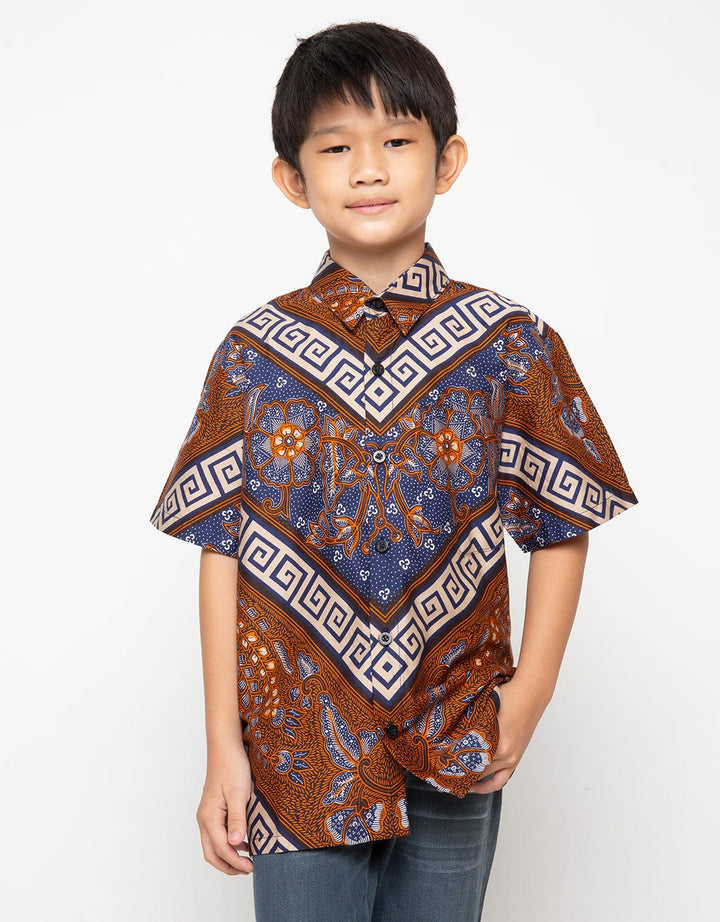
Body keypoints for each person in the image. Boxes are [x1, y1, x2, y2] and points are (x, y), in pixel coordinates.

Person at [149, 20, 638, 922]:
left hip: (457, 728)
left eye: (398, 142)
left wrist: (528, 698)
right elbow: (222, 547)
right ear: (292, 179)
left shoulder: (510, 343)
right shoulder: (254, 355)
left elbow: (562, 521)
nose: (368, 170)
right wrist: (224, 747)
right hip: (297, 745)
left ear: (447, 162)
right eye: (336, 147)